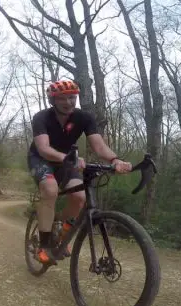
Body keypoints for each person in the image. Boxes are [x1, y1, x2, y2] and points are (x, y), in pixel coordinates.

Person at [28, 79, 133, 264]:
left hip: (68, 161)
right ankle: (43, 245)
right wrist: (68, 158)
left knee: (80, 197)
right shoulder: (41, 117)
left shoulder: (84, 118)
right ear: (53, 100)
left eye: (72, 97)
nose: (69, 102)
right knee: (50, 190)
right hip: (41, 160)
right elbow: (43, 148)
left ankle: (60, 230)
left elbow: (99, 146)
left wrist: (115, 160)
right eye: (62, 98)